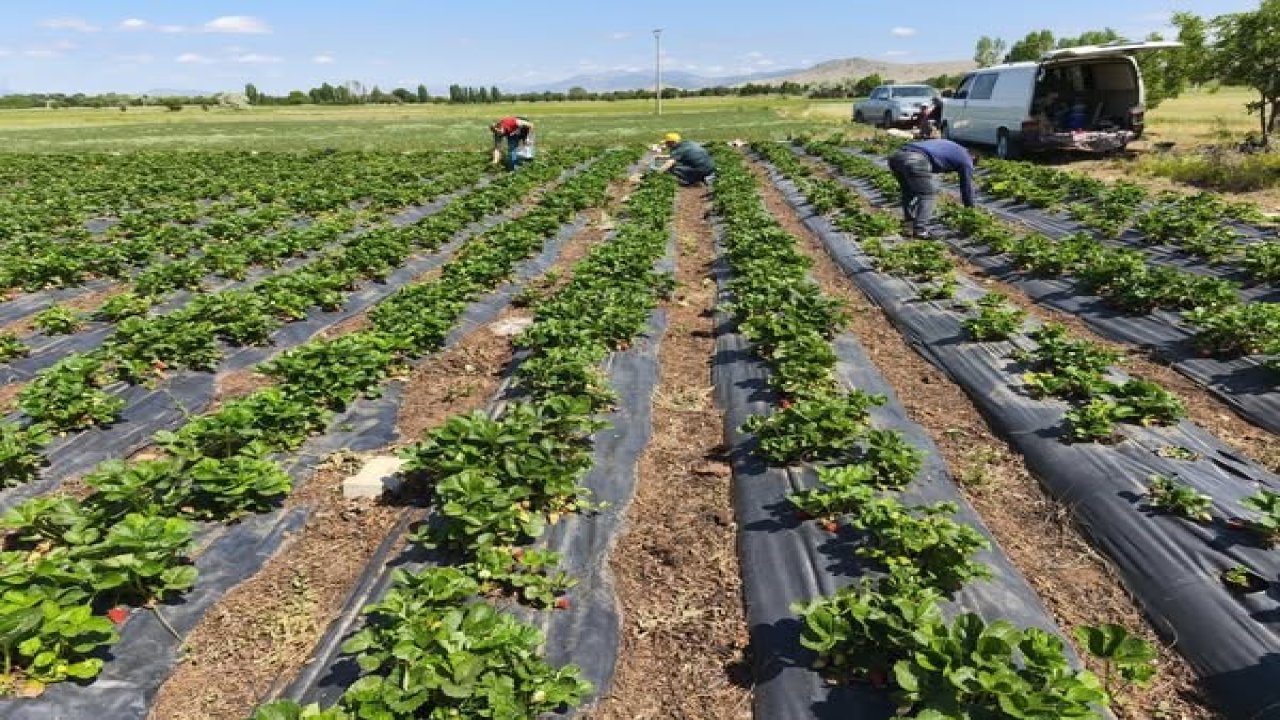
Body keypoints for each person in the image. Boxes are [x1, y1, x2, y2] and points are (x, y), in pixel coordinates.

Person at [887, 138, 976, 238]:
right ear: (973, 157)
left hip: (896, 157)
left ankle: (909, 223)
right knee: (927, 195)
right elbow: (966, 187)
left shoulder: (952, 146)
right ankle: (920, 229)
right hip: (915, 159)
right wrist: (970, 210)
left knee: (908, 191)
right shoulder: (966, 159)